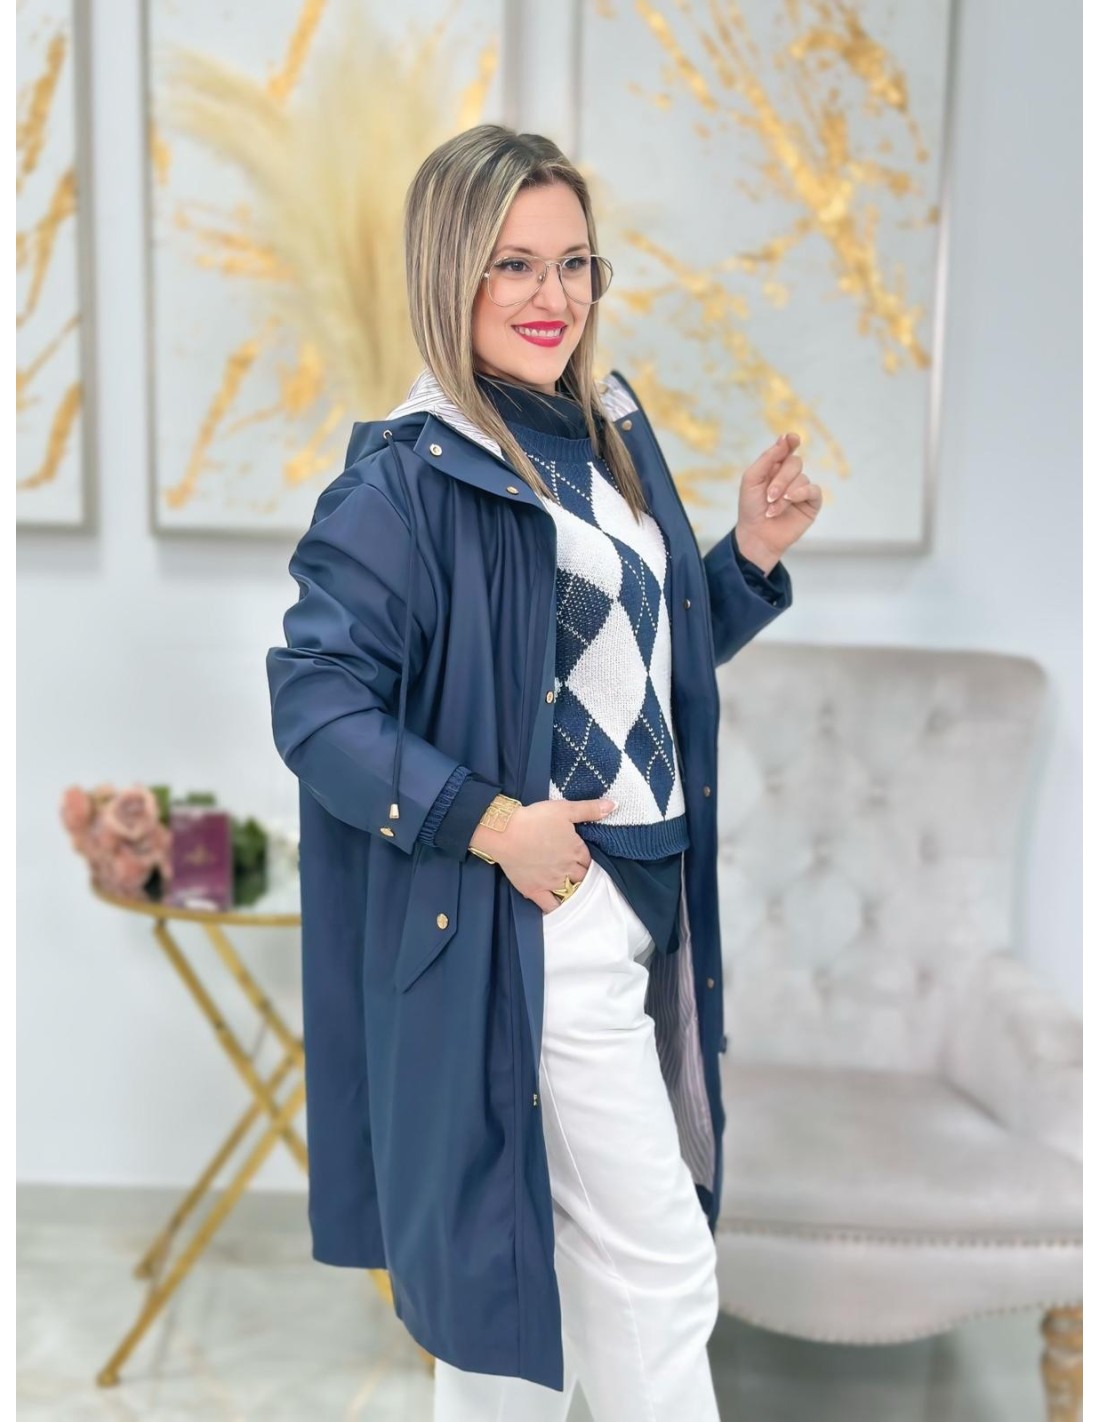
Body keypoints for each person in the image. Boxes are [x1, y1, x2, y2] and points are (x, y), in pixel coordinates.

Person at [266, 123, 820, 1421]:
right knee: (658, 1274)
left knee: (531, 1299)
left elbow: (619, 679)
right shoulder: (409, 478)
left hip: (638, 904)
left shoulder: (601, 437)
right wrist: (489, 821)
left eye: (574, 263)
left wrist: (740, 560)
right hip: (536, 926)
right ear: (448, 272)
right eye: (513, 264)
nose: (551, 296)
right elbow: (315, 703)